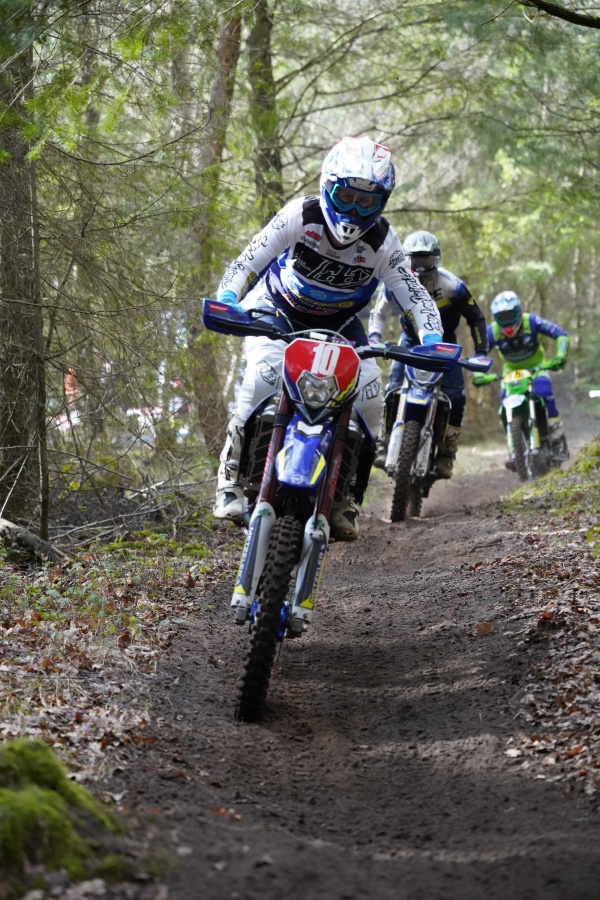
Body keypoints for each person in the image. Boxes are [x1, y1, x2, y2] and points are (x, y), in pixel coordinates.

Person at [211, 136, 444, 541]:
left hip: (341, 323)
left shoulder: (383, 242)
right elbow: (248, 262)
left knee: (370, 393)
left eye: (366, 202)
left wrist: (431, 337)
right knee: (263, 375)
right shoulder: (300, 215)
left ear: (382, 202)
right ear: (327, 185)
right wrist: (228, 299)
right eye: (346, 196)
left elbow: (415, 296)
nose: (354, 210)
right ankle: (230, 479)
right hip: (277, 310)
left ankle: (345, 497)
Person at [368, 230, 489, 477]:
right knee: (391, 390)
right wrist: (374, 338)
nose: (421, 266)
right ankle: (383, 441)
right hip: (410, 343)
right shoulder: (395, 282)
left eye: (426, 259)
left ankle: (447, 453)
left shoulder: (453, 286)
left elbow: (476, 317)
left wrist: (481, 351)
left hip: (445, 345)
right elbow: (379, 312)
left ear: (436, 259)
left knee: (456, 397)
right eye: (415, 260)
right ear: (406, 260)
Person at [474, 290, 570, 463]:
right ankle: (514, 448)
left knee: (544, 392)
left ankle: (558, 440)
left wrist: (561, 356)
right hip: (511, 372)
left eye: (510, 315)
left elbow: (560, 334)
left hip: (537, 367)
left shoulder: (532, 322)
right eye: (502, 317)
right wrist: (478, 373)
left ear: (519, 311)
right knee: (504, 402)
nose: (507, 322)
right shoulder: (492, 331)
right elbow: (479, 353)